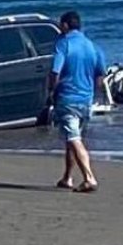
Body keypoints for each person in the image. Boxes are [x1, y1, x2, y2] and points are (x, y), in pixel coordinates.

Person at [49, 10, 107, 193]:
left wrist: (52, 91)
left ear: (66, 25)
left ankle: (89, 177)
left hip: (68, 97)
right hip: (85, 99)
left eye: (61, 24)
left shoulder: (63, 44)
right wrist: (93, 93)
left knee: (74, 139)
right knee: (71, 139)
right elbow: (100, 74)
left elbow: (55, 72)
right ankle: (67, 177)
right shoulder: (92, 46)